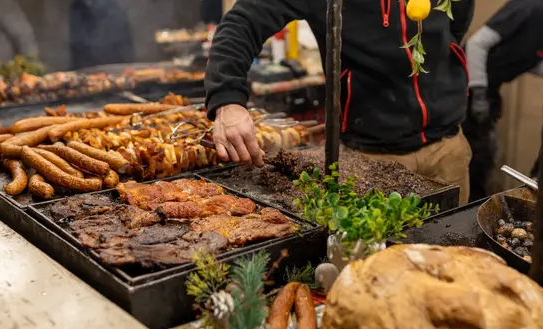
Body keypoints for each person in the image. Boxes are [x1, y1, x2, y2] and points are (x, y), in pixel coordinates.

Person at [205, 0, 475, 204]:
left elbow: (458, 20)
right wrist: (227, 101)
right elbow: (243, 22)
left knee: (452, 264)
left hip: (449, 151)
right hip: (370, 161)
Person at [464, 0, 543, 200]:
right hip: (465, 83)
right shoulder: (529, 8)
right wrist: (479, 93)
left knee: (484, 158)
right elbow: (476, 45)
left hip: (490, 87)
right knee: (474, 159)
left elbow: (527, 60)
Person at [69, 0, 134, 70]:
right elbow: (77, 46)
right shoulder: (77, 7)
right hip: (87, 69)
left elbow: (124, 45)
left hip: (116, 67)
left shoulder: (114, 7)